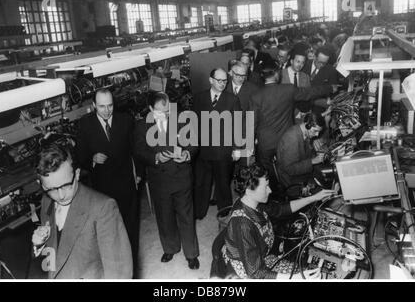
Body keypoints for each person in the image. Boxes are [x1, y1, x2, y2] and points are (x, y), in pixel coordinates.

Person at [32, 144, 133, 279]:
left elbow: (119, 272)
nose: (61, 195)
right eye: (52, 189)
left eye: (66, 185)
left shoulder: (103, 207)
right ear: (42, 185)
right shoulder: (46, 201)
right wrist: (39, 244)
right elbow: (53, 260)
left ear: (77, 174)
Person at [223, 163, 335, 279]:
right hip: (250, 272)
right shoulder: (242, 224)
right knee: (302, 274)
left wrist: (313, 198)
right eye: (265, 187)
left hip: (262, 257)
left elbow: (281, 209)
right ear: (249, 191)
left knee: (302, 269)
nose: (270, 190)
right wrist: (294, 278)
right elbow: (255, 272)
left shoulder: (255, 202)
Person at [75, 88, 139, 273]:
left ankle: (132, 269)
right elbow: (80, 157)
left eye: (110, 105)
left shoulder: (125, 120)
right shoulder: (85, 125)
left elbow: (135, 149)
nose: (106, 110)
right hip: (102, 190)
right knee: (108, 234)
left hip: (127, 185)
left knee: (130, 230)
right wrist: (92, 160)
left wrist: (139, 174)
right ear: (94, 105)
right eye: (101, 106)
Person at [133, 92, 200, 270]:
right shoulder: (141, 126)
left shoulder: (182, 119)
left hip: (181, 176)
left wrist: (187, 154)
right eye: (160, 111)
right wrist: (155, 158)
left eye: (168, 110)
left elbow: (194, 142)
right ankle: (170, 248)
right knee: (164, 216)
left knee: (186, 216)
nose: (166, 114)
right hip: (159, 179)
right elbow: (138, 151)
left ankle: (191, 254)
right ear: (150, 109)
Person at [249, 64, 331, 187]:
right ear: (277, 74)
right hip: (287, 138)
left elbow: (251, 123)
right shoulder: (288, 89)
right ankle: (288, 189)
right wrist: (329, 88)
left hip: (266, 143)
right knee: (289, 168)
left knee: (269, 173)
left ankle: (274, 193)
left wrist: (248, 146)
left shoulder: (255, 96)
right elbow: (309, 93)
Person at [192, 68, 242, 220]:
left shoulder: (232, 99)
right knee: (201, 182)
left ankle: (225, 213)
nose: (222, 84)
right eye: (219, 80)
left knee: (222, 185)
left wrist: (237, 148)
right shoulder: (199, 97)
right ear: (211, 80)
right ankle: (199, 212)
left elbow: (238, 125)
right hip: (202, 150)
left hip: (223, 150)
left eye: (225, 81)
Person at [276, 112, 326, 188]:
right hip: (292, 180)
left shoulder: (303, 131)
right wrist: (313, 161)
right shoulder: (292, 139)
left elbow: (305, 152)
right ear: (307, 125)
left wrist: (317, 153)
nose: (317, 135)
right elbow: (289, 169)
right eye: (315, 131)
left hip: (302, 171)